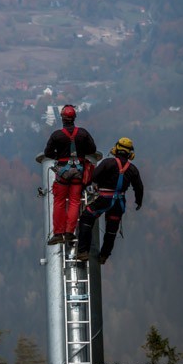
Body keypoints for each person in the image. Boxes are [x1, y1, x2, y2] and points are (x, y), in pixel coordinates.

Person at [76, 137, 143, 264]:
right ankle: (104, 255)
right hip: (119, 203)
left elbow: (94, 176)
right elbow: (139, 187)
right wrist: (138, 202)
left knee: (86, 218)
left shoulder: (108, 163)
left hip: (104, 199)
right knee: (112, 229)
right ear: (130, 153)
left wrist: (85, 187)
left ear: (116, 149)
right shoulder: (133, 169)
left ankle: (83, 251)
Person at [44, 104, 97, 245]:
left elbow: (48, 153)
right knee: (74, 201)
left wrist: (59, 156)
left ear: (62, 118)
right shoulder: (83, 133)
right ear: (74, 118)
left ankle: (58, 233)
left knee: (59, 202)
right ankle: (69, 232)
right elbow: (92, 149)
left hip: (62, 173)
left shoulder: (56, 135)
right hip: (78, 173)